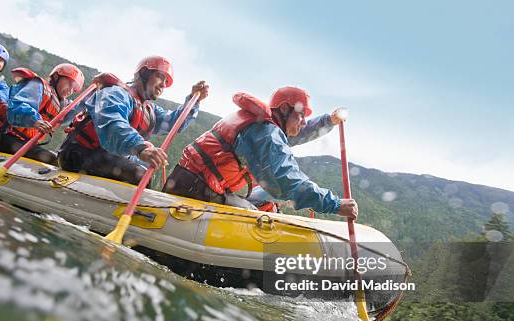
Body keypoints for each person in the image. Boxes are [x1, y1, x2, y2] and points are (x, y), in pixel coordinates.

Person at [163, 87, 358, 220]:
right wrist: (334, 204)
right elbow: (286, 182)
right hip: (195, 190)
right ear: (283, 109)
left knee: (265, 200)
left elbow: (298, 132)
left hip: (194, 183)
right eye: (301, 115)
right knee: (262, 210)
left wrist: (328, 121)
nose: (304, 121)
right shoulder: (265, 133)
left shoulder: (264, 126)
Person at [58, 55, 209, 185]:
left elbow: (174, 122)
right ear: (144, 74)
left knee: (147, 168)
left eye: (166, 82)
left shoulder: (149, 109)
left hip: (105, 156)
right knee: (139, 174)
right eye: (160, 77)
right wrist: (141, 148)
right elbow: (113, 124)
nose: (163, 85)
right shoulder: (116, 93)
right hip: (79, 154)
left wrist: (193, 101)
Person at [0, 63, 85, 164]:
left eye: (74, 88)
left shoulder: (62, 105)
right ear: (56, 76)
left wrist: (94, 94)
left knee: (59, 159)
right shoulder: (38, 85)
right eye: (69, 83)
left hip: (23, 143)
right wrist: (35, 120)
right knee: (54, 160)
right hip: (3, 136)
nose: (70, 90)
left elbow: (76, 109)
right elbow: (18, 106)